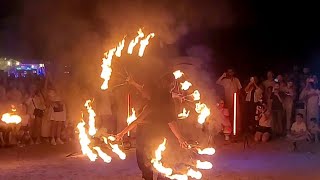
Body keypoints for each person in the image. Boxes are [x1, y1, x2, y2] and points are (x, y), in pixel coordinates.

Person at [116, 73, 188, 180]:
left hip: (147, 137)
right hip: (159, 137)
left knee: (148, 164)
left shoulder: (154, 101)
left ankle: (150, 176)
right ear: (171, 85)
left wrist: (122, 133)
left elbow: (137, 120)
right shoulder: (164, 100)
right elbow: (171, 121)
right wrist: (181, 138)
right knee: (161, 164)